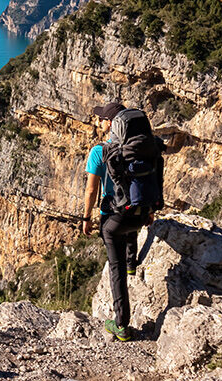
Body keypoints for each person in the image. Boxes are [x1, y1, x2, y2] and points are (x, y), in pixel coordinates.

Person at [82, 102, 154, 342]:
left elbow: (91, 190)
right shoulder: (141, 149)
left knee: (116, 268)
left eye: (102, 119)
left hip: (113, 219)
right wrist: (150, 211)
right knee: (129, 219)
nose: (99, 122)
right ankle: (132, 262)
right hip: (141, 214)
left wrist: (86, 218)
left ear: (111, 124)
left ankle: (121, 324)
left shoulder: (99, 151)